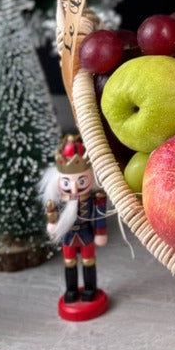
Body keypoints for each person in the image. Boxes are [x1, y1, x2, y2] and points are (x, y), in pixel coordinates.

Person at [42, 134, 108, 320]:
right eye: (67, 182)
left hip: (86, 234)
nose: (74, 188)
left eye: (81, 181)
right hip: (68, 236)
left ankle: (90, 289)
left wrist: (100, 232)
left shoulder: (95, 198)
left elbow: (99, 216)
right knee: (69, 263)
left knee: (89, 262)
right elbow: (52, 215)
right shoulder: (58, 200)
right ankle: (71, 290)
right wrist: (52, 225)